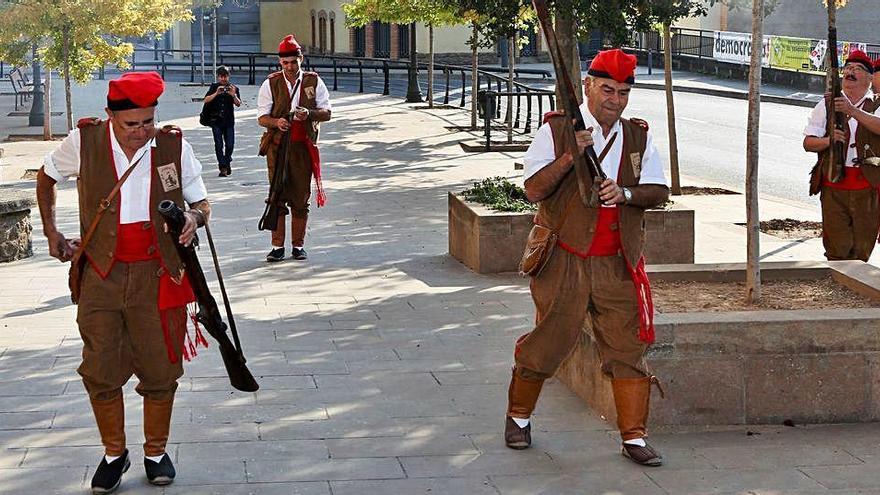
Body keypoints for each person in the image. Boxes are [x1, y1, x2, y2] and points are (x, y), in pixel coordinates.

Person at [35, 71, 211, 494]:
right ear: (111, 116)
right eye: (131, 124)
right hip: (101, 274)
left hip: (157, 274)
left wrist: (193, 217)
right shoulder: (85, 142)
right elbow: (45, 176)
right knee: (100, 366)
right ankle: (114, 454)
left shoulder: (172, 145)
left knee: (161, 365)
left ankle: (155, 453)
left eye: (148, 121)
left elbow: (201, 201)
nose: (141, 132)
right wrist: (51, 232)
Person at [505, 49, 670, 466]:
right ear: (588, 87)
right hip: (565, 258)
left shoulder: (639, 136)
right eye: (608, 89)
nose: (615, 100)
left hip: (617, 261)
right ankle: (519, 417)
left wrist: (626, 194)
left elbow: (658, 191)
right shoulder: (557, 129)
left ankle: (634, 436)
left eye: (624, 91)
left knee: (627, 347)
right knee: (551, 339)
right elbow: (533, 189)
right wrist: (569, 157)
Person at [257, 34, 332, 262]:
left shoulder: (313, 81)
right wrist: (276, 122)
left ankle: (298, 246)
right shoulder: (270, 83)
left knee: (301, 196)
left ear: (301, 58)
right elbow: (262, 117)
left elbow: (327, 112)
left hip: (303, 147)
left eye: (293, 61)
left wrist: (309, 114)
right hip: (277, 147)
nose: (290, 66)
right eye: (285, 62)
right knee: (277, 194)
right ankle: (277, 246)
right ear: (280, 62)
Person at [804, 50, 880, 261]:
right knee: (837, 248)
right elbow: (808, 143)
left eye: (857, 69)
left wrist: (852, 111)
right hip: (834, 185)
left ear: (869, 77)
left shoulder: (877, 103)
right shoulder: (826, 104)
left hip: (868, 188)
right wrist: (828, 141)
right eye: (848, 68)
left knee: (862, 249)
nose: (850, 72)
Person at [203, 66, 241, 177]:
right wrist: (216, 93)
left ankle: (227, 160)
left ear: (228, 76)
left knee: (230, 145)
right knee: (218, 145)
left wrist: (233, 95)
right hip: (216, 121)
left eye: (225, 77)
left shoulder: (233, 88)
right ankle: (223, 167)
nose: (223, 79)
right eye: (221, 77)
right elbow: (205, 100)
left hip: (229, 121)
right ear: (218, 77)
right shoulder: (214, 87)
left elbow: (238, 103)